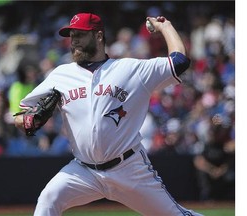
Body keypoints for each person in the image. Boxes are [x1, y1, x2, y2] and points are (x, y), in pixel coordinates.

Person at [14, 12, 202, 216]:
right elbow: (18, 116)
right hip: (83, 171)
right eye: (72, 35)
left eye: (80, 34)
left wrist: (166, 27)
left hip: (129, 169)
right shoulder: (60, 75)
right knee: (48, 200)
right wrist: (28, 119)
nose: (74, 41)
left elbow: (179, 62)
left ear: (99, 36)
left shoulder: (130, 69)